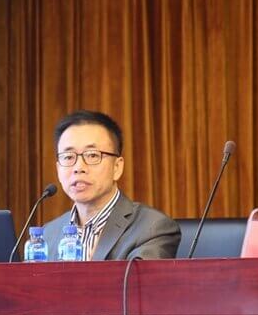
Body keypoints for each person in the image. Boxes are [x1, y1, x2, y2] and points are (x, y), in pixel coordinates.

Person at [43, 110, 180, 260]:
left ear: (117, 167)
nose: (78, 167)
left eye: (92, 155)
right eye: (68, 157)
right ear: (58, 169)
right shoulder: (47, 236)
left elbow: (134, 276)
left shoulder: (152, 228)